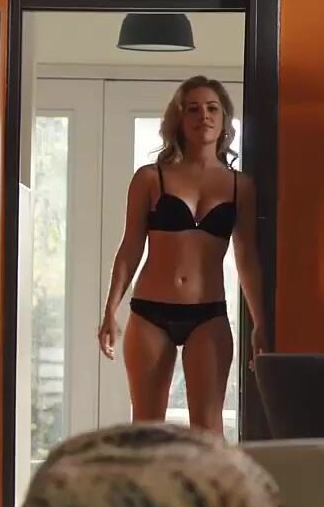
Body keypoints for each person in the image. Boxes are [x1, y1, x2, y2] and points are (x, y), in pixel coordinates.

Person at [97, 76, 267, 435]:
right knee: (147, 429)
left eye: (212, 108)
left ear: (224, 119)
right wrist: (110, 310)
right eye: (193, 109)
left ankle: (212, 479)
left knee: (209, 430)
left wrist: (260, 323)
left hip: (208, 314)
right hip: (150, 313)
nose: (203, 116)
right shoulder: (150, 178)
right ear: (179, 119)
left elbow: (247, 258)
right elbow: (130, 247)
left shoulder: (241, 186)